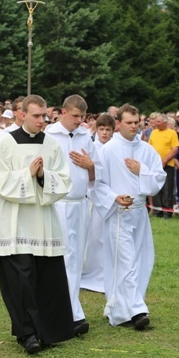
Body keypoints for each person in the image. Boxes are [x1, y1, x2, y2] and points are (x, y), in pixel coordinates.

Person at [0, 95, 74, 354]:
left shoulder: (51, 144)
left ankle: (46, 331)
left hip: (43, 222)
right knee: (21, 280)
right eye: (36, 116)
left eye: (44, 116)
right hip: (13, 223)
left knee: (46, 278)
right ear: (22, 114)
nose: (41, 121)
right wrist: (28, 173)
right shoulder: (5, 140)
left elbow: (64, 180)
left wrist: (42, 176)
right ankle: (27, 334)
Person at [91, 104, 166, 330]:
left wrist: (141, 170)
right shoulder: (107, 150)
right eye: (129, 122)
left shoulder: (147, 150)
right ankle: (137, 310)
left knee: (141, 259)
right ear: (119, 124)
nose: (134, 126)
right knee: (125, 260)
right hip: (118, 213)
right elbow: (97, 183)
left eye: (137, 122)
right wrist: (114, 197)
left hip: (139, 212)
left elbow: (158, 179)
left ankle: (121, 307)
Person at [45, 94, 99, 336]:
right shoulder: (49, 135)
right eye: (75, 116)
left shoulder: (86, 136)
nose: (79, 121)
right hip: (58, 204)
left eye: (82, 117)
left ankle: (72, 309)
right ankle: (68, 313)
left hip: (79, 203)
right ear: (63, 112)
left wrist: (90, 166)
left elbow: (96, 172)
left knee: (76, 258)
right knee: (62, 258)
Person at [81, 113, 115, 293]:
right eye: (101, 129)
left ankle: (104, 273)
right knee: (91, 237)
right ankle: (90, 271)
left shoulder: (115, 148)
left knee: (106, 237)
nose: (104, 133)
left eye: (108, 130)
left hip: (110, 197)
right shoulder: (91, 147)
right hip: (92, 197)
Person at [148, 113, 179, 218]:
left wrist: (165, 160)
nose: (156, 123)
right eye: (156, 121)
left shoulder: (172, 133)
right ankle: (158, 211)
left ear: (165, 123)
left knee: (167, 189)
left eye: (159, 122)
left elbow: (175, 149)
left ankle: (167, 212)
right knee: (156, 188)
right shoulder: (153, 133)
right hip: (155, 165)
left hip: (167, 165)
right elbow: (149, 147)